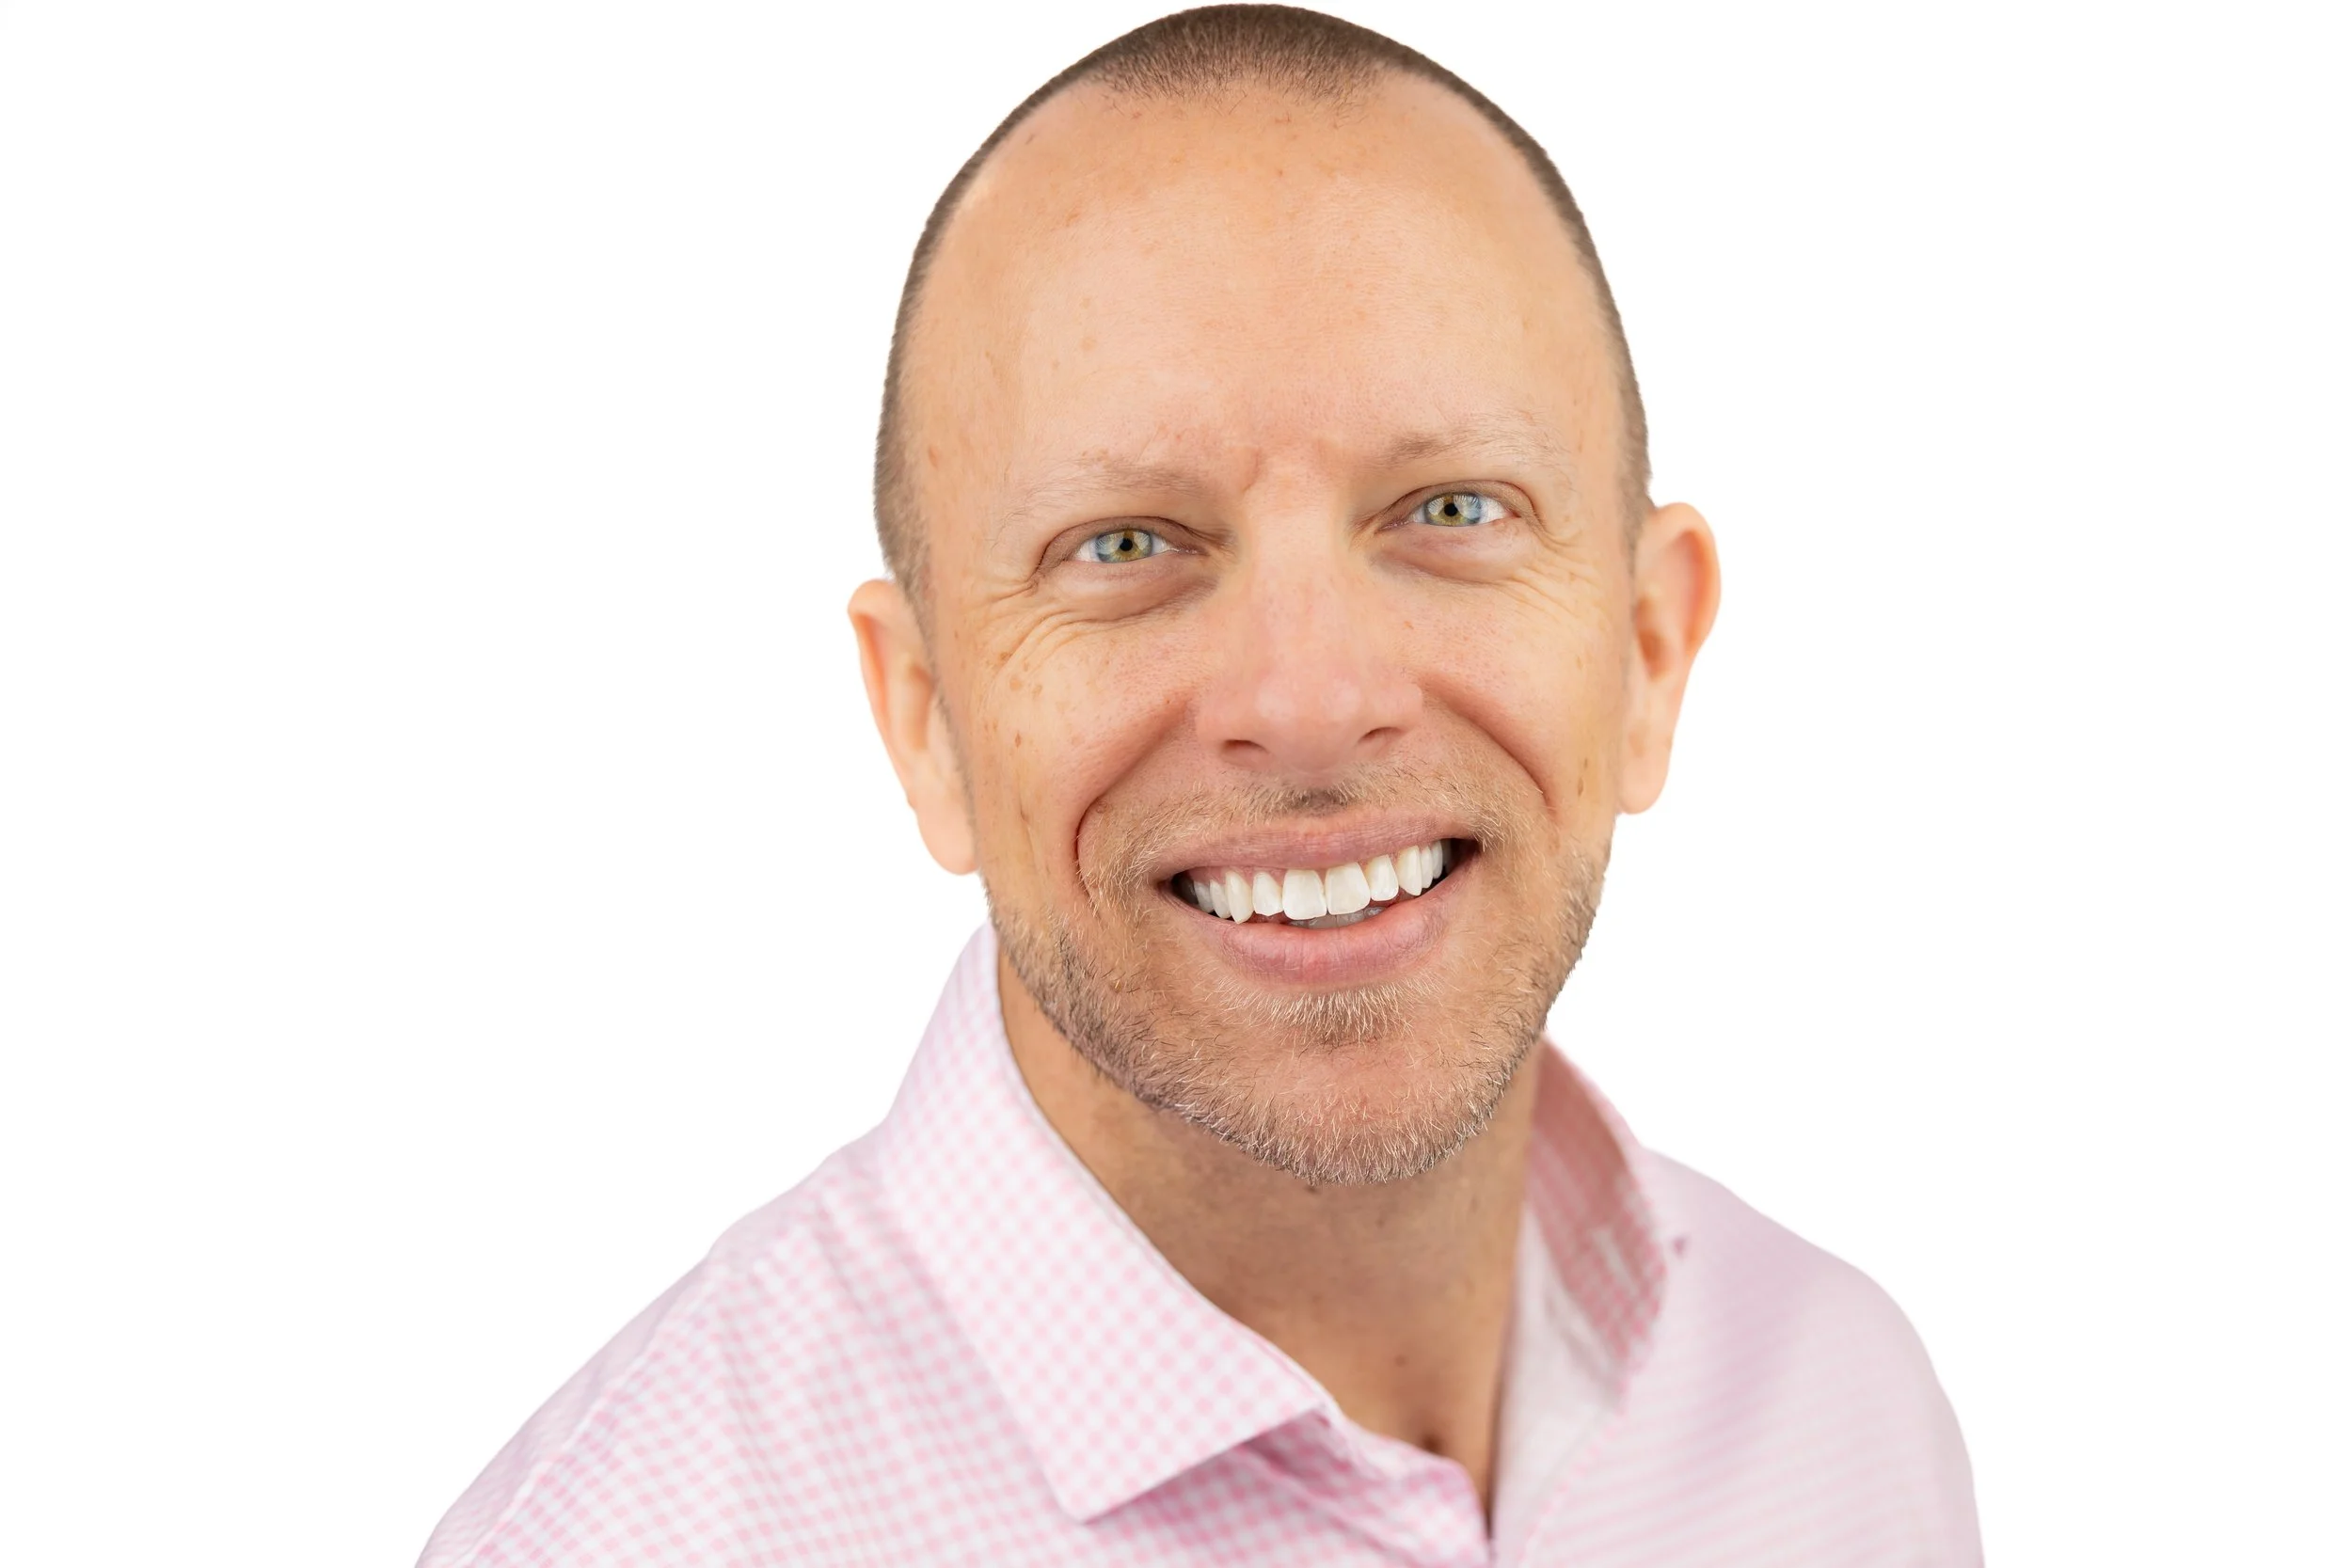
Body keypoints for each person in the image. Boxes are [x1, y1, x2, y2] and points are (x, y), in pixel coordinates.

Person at [421, 7, 1979, 1563]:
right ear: (925, 719)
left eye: (1450, 506)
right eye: (1122, 546)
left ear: (1649, 652)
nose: (1308, 704)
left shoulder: (1839, 1403)